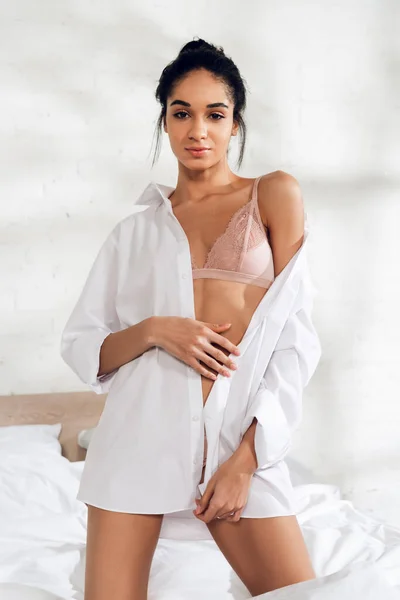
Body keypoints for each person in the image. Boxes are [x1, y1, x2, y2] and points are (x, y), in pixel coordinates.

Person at [60, 38, 321, 599]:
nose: (197, 129)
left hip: (234, 443)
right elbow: (83, 346)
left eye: (214, 114)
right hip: (137, 442)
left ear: (236, 124)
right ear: (165, 122)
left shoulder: (274, 194)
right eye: (182, 113)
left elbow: (294, 344)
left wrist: (247, 460)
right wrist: (156, 330)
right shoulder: (134, 232)